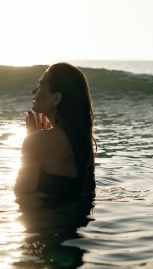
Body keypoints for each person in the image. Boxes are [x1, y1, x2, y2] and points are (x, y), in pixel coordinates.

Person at [14, 62, 96, 199]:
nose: (33, 91)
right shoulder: (84, 143)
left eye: (40, 86)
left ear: (56, 98)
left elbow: (21, 194)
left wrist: (32, 137)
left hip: (48, 219)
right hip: (80, 219)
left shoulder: (38, 141)